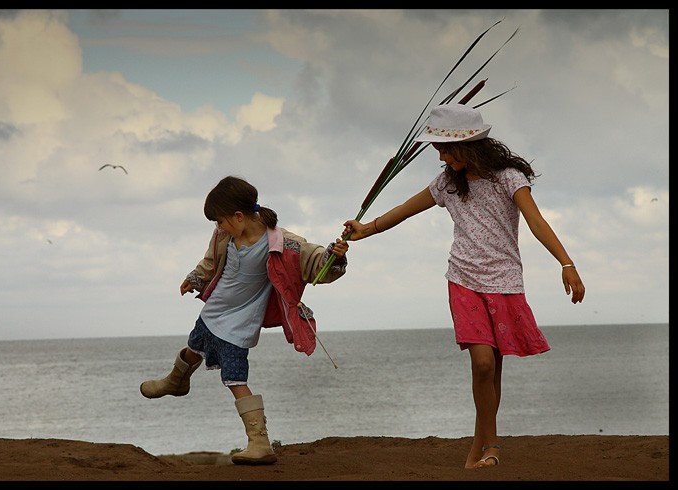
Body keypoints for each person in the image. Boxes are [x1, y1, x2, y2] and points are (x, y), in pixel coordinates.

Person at [342, 103, 585, 469]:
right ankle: (492, 447)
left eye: (445, 148)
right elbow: (407, 209)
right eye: (438, 149)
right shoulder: (447, 183)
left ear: (469, 144)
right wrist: (368, 228)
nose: (440, 156)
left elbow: (535, 221)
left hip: (504, 281)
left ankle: (480, 447)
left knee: (494, 369)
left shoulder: (507, 177)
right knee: (483, 364)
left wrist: (566, 263)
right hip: (464, 280)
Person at [140, 175, 349, 465]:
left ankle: (260, 442)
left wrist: (334, 258)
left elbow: (316, 264)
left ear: (239, 216)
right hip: (214, 311)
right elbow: (211, 262)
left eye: (221, 221)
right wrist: (196, 278)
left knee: (235, 379)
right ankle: (176, 382)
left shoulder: (283, 244)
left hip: (239, 324)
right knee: (195, 345)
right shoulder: (225, 235)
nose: (218, 227)